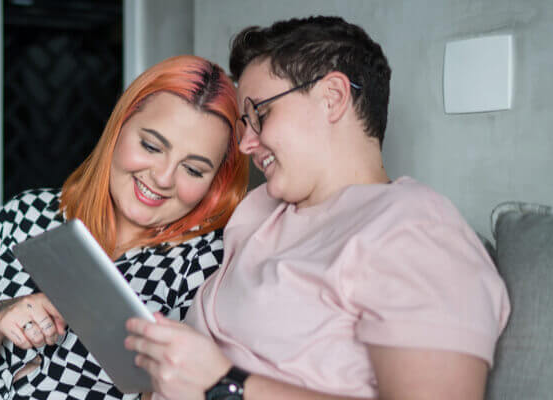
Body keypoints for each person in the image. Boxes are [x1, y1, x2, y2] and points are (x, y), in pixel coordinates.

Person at [124, 16, 510, 400]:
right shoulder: (260, 212)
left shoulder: (414, 228)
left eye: (260, 114)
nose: (246, 144)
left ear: (333, 97)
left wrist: (226, 387)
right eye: (246, 123)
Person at [0, 55, 250, 399]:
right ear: (119, 127)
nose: (162, 178)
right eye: (151, 146)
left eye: (193, 169)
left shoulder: (208, 264)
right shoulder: (25, 215)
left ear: (216, 182)